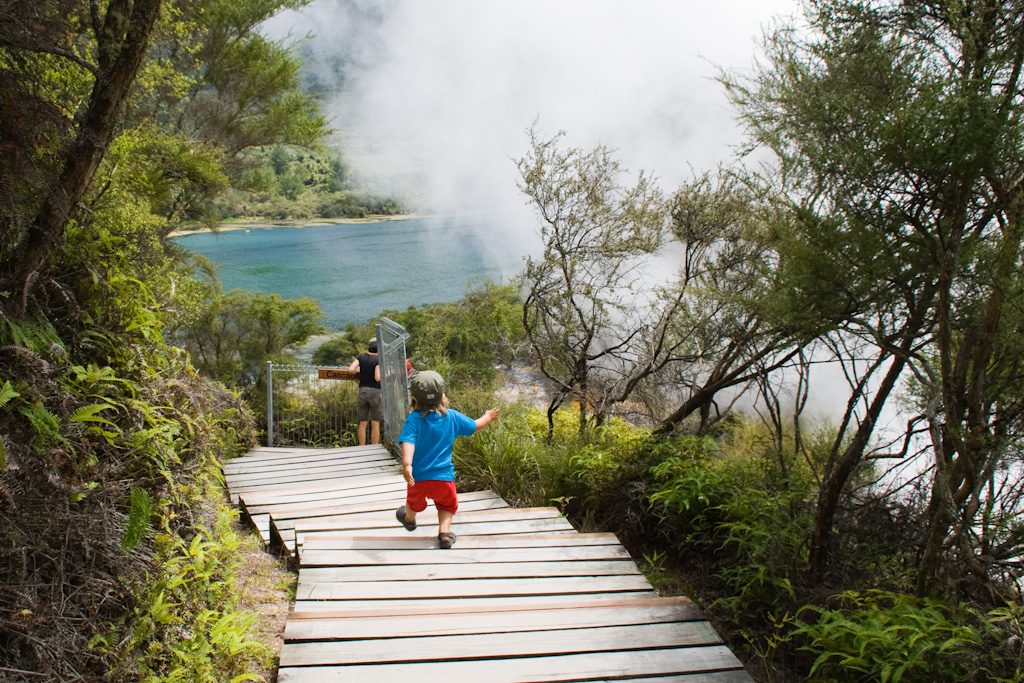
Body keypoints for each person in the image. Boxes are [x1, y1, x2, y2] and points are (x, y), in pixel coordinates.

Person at [395, 371, 499, 549]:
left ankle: (409, 520)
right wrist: (488, 416)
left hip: (418, 478)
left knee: (413, 503)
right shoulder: (451, 417)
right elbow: (475, 426)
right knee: (447, 504)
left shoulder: (413, 419)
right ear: (442, 395)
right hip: (444, 477)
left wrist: (407, 465)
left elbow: (409, 441)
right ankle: (444, 533)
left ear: (414, 397)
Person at [348, 337, 382, 445]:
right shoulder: (378, 360)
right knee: (375, 422)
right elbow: (377, 377)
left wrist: (361, 370)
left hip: (362, 391)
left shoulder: (360, 357)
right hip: (375, 392)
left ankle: (362, 447)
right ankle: (374, 447)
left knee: (363, 422)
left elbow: (351, 370)